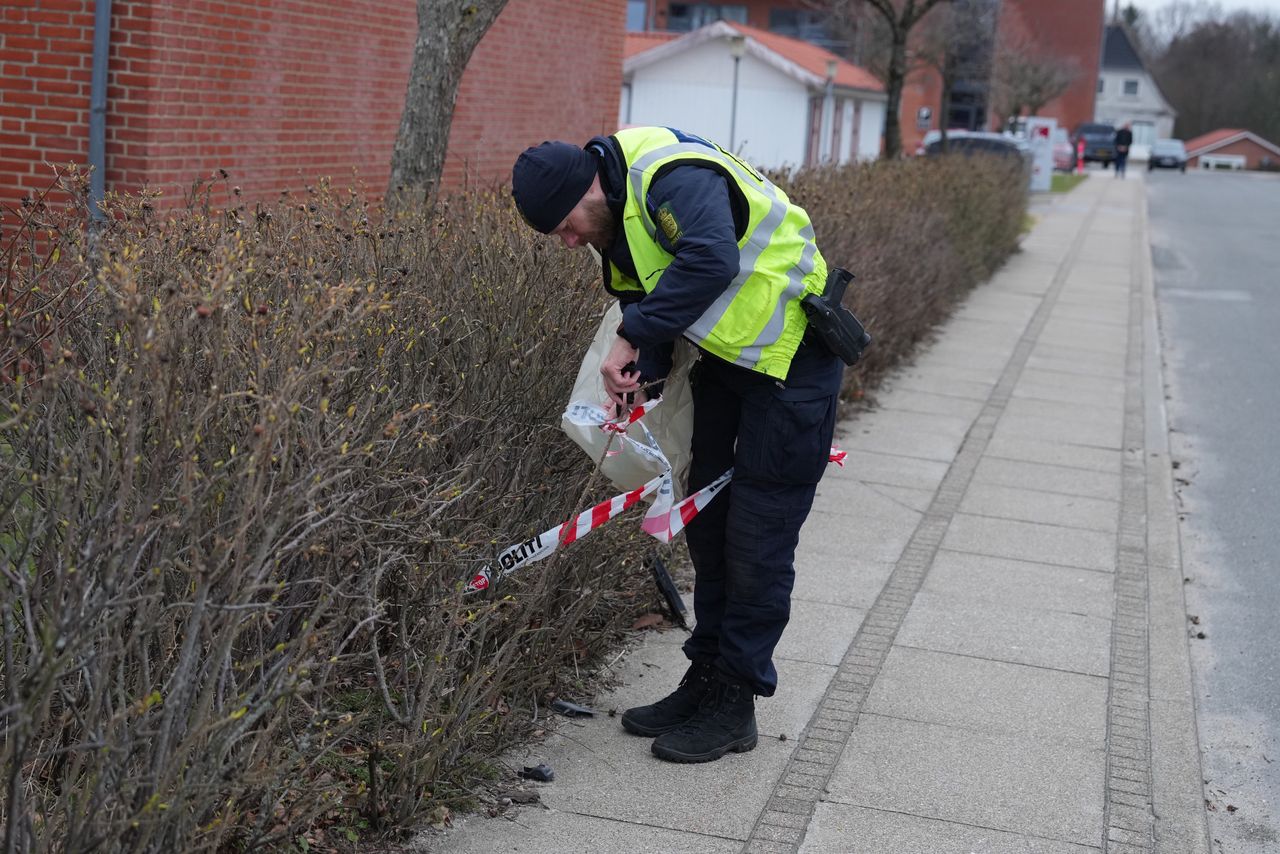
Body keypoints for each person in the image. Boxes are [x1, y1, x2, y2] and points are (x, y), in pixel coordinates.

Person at [511, 128, 843, 764]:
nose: (569, 240)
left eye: (565, 224)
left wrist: (630, 335)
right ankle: (706, 676)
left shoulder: (671, 180)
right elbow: (657, 293)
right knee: (709, 529)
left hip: (794, 367)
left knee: (757, 540)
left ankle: (736, 702)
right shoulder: (619, 213)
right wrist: (646, 372)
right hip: (732, 366)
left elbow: (709, 260)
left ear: (587, 189)